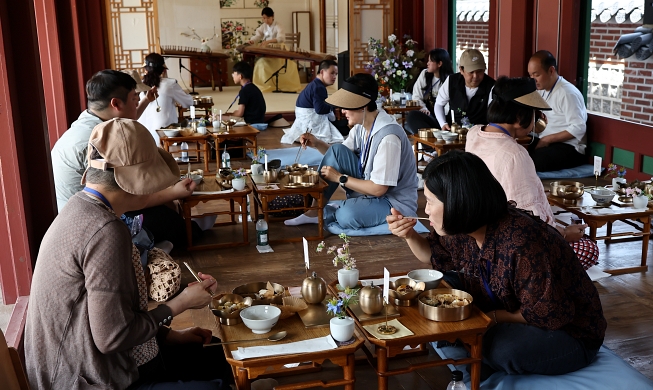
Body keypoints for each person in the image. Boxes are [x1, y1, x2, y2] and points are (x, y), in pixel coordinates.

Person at [26, 118, 231, 389]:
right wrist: (180, 303)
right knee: (218, 381)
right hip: (88, 378)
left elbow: (111, 315)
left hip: (85, 364)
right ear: (136, 183)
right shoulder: (105, 231)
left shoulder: (79, 208)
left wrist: (168, 336)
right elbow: (112, 336)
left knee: (218, 354)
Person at [387, 150, 606, 377]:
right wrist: (409, 235)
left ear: (458, 201)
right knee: (436, 289)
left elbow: (546, 313)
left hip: (567, 332)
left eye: (431, 201)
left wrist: (491, 318)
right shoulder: (465, 226)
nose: (426, 209)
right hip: (506, 304)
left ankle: (473, 344)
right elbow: (432, 254)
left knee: (502, 349)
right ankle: (467, 340)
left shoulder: (521, 242)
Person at [51, 69, 199, 248]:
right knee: (170, 222)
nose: (136, 104)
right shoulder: (97, 141)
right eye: (134, 99)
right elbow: (125, 195)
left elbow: (128, 118)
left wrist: (145, 101)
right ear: (116, 103)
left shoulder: (89, 120)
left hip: (86, 209)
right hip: (88, 225)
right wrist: (174, 192)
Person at [465, 76, 599, 270]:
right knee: (588, 249)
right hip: (508, 244)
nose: (537, 118)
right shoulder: (515, 154)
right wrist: (563, 233)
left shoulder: (474, 133)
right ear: (519, 118)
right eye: (534, 113)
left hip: (479, 229)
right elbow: (528, 218)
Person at [285, 73, 418, 230]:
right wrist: (317, 143)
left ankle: (342, 208)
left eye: (346, 106)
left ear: (363, 106)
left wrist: (340, 178)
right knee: (337, 149)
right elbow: (337, 155)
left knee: (346, 216)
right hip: (371, 191)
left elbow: (379, 189)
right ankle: (314, 211)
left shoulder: (388, 137)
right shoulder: (361, 127)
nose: (342, 111)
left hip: (392, 201)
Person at [527, 50, 587, 172]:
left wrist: (547, 139)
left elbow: (579, 127)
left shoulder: (567, 93)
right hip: (546, 141)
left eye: (537, 75)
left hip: (569, 147)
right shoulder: (541, 89)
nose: (533, 80)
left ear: (551, 70)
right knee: (514, 151)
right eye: (531, 76)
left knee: (530, 162)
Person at [281, 59, 347, 144]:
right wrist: (335, 103)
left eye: (336, 74)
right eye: (332, 73)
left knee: (342, 126)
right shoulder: (319, 87)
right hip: (311, 124)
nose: (334, 76)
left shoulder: (315, 84)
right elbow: (320, 110)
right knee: (344, 131)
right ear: (322, 72)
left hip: (303, 123)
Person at [138, 53, 194, 145]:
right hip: (164, 137)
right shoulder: (170, 84)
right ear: (163, 70)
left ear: (145, 69)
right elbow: (188, 102)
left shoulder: (139, 85)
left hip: (142, 137)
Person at [434, 48, 495, 130]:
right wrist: (443, 124)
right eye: (471, 72)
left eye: (480, 71)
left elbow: (494, 116)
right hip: (452, 129)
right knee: (414, 117)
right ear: (461, 70)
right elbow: (438, 104)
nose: (475, 76)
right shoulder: (452, 81)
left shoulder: (492, 86)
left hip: (479, 132)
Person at [248, 7, 302, 93]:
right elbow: (258, 35)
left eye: (268, 18)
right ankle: (265, 85)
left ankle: (283, 85)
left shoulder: (278, 25)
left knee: (287, 64)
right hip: (267, 49)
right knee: (260, 63)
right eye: (264, 18)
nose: (266, 20)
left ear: (273, 16)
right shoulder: (263, 26)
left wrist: (268, 41)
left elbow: (281, 38)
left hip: (279, 48)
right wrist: (252, 40)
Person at [405, 48, 454, 134]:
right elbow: (416, 95)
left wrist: (441, 119)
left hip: (444, 120)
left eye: (430, 61)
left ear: (439, 64)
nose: (427, 64)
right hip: (428, 114)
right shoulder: (425, 74)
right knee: (412, 115)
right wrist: (423, 108)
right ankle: (428, 141)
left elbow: (448, 107)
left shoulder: (451, 80)